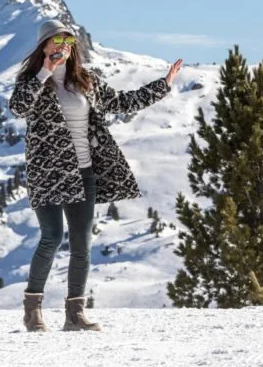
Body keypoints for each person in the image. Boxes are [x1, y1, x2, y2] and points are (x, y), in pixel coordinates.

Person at [9, 20, 182, 332]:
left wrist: (164, 84)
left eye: (68, 40)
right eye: (57, 40)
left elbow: (121, 102)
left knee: (81, 244)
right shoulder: (31, 80)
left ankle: (75, 314)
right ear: (44, 45)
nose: (63, 45)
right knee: (51, 237)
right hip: (47, 173)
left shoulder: (85, 80)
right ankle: (32, 311)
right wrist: (45, 71)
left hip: (83, 172)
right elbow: (19, 108)